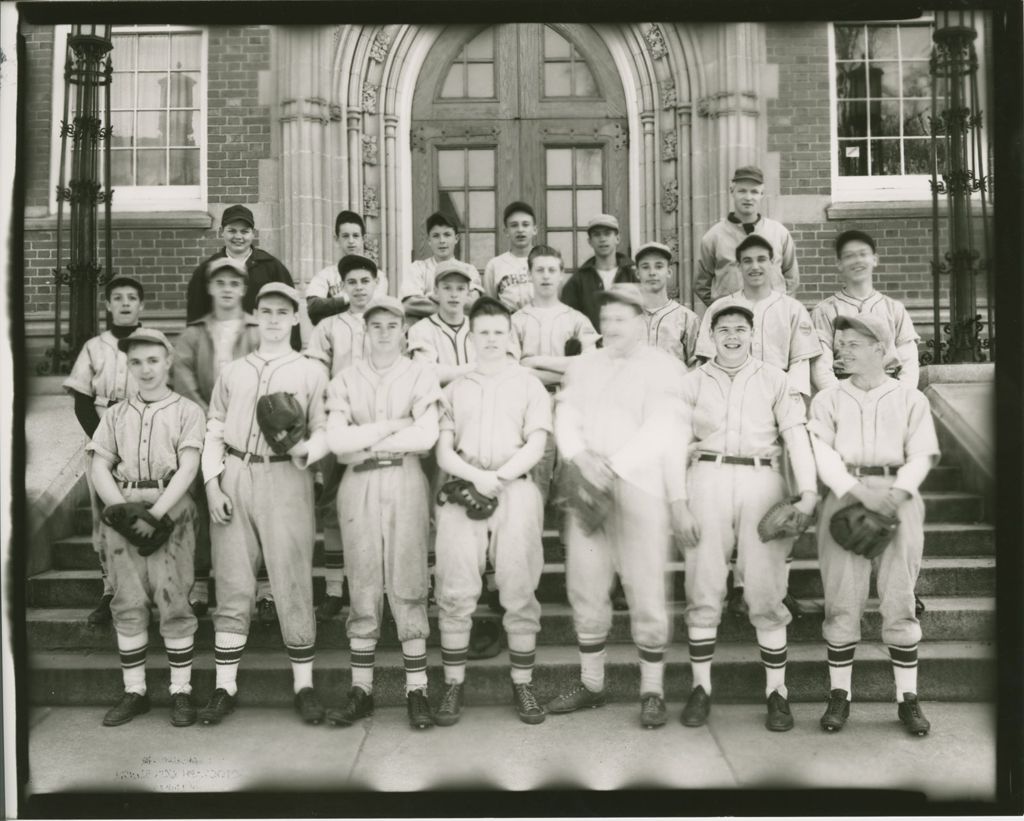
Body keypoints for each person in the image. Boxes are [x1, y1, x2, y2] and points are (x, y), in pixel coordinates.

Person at [545, 284, 688, 729]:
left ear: (641, 322)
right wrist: (580, 456)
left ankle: (652, 691)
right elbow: (566, 414)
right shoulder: (585, 365)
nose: (611, 328)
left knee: (645, 588)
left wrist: (616, 465)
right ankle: (592, 684)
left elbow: (664, 427)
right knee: (585, 586)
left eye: (621, 319)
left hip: (640, 487)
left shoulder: (664, 367)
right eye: (605, 319)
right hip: (589, 484)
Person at [675, 304, 818, 733]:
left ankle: (777, 692)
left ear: (752, 335)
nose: (732, 336)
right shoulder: (691, 382)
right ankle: (701, 688)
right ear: (710, 336)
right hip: (706, 476)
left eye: (740, 329)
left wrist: (808, 492)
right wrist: (677, 502)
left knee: (766, 588)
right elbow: (672, 444)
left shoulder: (775, 379)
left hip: (761, 480)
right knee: (703, 583)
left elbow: (795, 436)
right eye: (723, 330)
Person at [199, 282, 331, 726]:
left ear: (296, 318)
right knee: (233, 581)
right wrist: (212, 484)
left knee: (292, 577)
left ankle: (304, 686)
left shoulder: (311, 371)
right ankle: (224, 687)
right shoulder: (234, 370)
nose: (274, 319)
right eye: (267, 310)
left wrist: (301, 448)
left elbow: (323, 431)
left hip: (285, 477)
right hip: (235, 473)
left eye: (283, 311)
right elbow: (214, 427)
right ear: (255, 315)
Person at [807, 314, 939, 736]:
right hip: (846, 495)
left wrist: (896, 494)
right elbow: (821, 453)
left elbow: (921, 454)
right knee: (842, 597)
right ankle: (839, 695)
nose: (841, 350)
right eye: (839, 343)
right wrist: (856, 490)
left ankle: (907, 698)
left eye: (852, 344)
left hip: (898, 494)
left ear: (880, 349)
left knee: (900, 595)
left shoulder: (909, 398)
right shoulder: (827, 399)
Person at [322, 296, 443, 731]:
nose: (385, 332)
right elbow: (337, 441)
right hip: (358, 484)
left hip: (406, 479)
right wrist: (395, 428)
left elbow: (427, 435)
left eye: (393, 324)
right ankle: (362, 690)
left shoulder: (421, 374)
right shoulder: (345, 378)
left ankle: (417, 691)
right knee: (364, 581)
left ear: (404, 331)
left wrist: (367, 440)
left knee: (409, 580)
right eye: (376, 325)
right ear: (365, 331)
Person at [432, 297, 552, 726]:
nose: (491, 339)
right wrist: (475, 477)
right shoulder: (455, 388)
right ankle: (452, 685)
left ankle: (523, 685)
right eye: (483, 332)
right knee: (456, 589)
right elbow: (444, 451)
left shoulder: (528, 384)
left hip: (515, 490)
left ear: (510, 336)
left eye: (499, 331)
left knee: (519, 589)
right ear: (471, 335)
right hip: (464, 488)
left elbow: (537, 444)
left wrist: (498, 476)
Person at [695, 234, 825, 616]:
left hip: (779, 412)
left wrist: (794, 409)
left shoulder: (791, 308)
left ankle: (776, 587)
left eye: (761, 259)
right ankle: (738, 586)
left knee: (776, 503)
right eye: (746, 260)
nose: (754, 266)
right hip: (734, 418)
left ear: (774, 264)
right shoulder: (722, 307)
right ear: (737, 266)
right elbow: (705, 364)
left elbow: (801, 362)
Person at [87, 328, 206, 727]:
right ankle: (134, 691)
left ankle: (181, 691)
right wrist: (121, 511)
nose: (145, 369)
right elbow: (99, 464)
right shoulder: (117, 413)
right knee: (128, 598)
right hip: (126, 506)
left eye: (153, 360)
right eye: (136, 361)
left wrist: (156, 515)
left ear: (168, 361)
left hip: (170, 507)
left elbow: (189, 466)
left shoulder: (187, 410)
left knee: (174, 597)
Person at [172, 257, 260, 617]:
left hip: (250, 432)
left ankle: (261, 586)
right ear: (210, 288)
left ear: (243, 289)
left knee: (250, 505)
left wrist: (241, 419)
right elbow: (182, 376)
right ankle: (201, 584)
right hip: (205, 428)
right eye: (220, 283)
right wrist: (211, 418)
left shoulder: (256, 332)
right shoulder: (194, 334)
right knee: (204, 505)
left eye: (234, 283)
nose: (227, 289)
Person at [63, 275, 143, 626]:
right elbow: (81, 401)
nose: (125, 303)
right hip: (102, 427)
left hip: (143, 434)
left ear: (142, 305)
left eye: (132, 298)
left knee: (143, 512)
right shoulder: (95, 347)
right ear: (108, 305)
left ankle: (145, 591)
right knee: (106, 517)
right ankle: (110, 590)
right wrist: (104, 443)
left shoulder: (153, 343)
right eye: (118, 298)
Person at [304, 254, 378, 623]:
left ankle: (377, 589)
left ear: (376, 284)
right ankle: (334, 589)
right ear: (343, 287)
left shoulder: (388, 322)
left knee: (379, 506)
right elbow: (317, 372)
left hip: (379, 425)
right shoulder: (330, 326)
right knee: (333, 508)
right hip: (339, 422)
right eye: (353, 282)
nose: (360, 287)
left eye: (366, 280)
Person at [811, 229, 921, 391]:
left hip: (889, 388)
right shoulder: (825, 310)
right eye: (849, 256)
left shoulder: (894, 309)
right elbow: (821, 367)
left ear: (874, 259)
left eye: (863, 254)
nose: (857, 260)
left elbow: (909, 362)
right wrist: (839, 399)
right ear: (839, 263)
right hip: (843, 388)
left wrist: (900, 396)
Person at [185, 204, 299, 350]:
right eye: (232, 231)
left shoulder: (272, 267)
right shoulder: (206, 270)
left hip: (264, 348)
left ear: (253, 233)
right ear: (221, 232)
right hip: (219, 349)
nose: (238, 237)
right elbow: (196, 316)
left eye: (244, 231)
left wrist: (292, 349)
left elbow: (290, 310)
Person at [695, 166, 799, 306]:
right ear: (732, 192)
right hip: (732, 319)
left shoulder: (779, 233)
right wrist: (722, 309)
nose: (748, 198)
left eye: (754, 192)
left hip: (772, 315)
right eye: (742, 191)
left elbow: (792, 277)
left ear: (762, 194)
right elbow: (701, 283)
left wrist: (780, 306)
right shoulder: (713, 237)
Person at [305, 211, 389, 326]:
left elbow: (370, 307)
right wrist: (348, 297)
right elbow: (314, 307)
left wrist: (332, 305)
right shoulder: (326, 275)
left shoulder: (377, 275)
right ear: (336, 239)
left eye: (355, 236)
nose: (351, 241)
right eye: (345, 236)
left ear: (363, 238)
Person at [559, 214, 638, 331]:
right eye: (597, 234)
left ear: (617, 238)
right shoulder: (578, 281)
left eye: (607, 233)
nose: (602, 239)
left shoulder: (633, 275)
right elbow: (568, 321)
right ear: (590, 241)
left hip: (628, 345)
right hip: (592, 347)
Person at [405, 264, 478, 386]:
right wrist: (476, 368)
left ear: (468, 293)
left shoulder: (480, 328)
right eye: (447, 288)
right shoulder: (420, 329)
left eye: (460, 288)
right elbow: (425, 374)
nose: (454, 294)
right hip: (438, 401)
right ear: (436, 291)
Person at [634, 241, 700, 368]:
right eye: (645, 267)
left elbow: (697, 369)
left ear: (669, 272)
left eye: (659, 266)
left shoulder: (687, 319)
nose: (652, 272)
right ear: (637, 273)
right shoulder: (627, 319)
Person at [400, 211, 482, 302]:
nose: (442, 240)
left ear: (456, 239)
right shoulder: (418, 269)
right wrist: (451, 305)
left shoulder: (469, 270)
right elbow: (410, 304)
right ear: (429, 240)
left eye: (447, 235)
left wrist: (430, 298)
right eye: (436, 236)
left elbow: (473, 303)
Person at [482, 201, 539, 311]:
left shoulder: (546, 261)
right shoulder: (495, 265)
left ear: (534, 230)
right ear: (506, 231)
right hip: (508, 322)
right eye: (514, 225)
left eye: (525, 224)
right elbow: (490, 306)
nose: (520, 230)